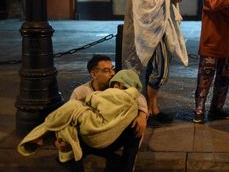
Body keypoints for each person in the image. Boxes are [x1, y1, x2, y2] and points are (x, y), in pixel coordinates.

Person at [18, 69, 147, 172]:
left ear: (120, 84)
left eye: (112, 70)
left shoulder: (117, 94)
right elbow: (67, 118)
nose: (111, 73)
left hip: (102, 134)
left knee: (73, 107)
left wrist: (143, 115)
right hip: (89, 138)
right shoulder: (81, 91)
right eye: (106, 70)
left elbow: (137, 97)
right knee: (68, 126)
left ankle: (43, 133)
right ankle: (55, 141)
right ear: (94, 74)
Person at [122, 0, 189, 126]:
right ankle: (151, 108)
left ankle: (151, 108)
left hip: (158, 24)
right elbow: (143, 3)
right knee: (161, 71)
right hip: (149, 28)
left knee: (154, 68)